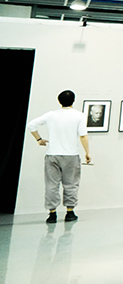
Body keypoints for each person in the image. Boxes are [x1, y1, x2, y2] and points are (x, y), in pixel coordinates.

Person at [26, 90, 91, 223]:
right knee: (71, 184)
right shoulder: (79, 116)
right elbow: (83, 136)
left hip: (52, 155)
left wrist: (39, 139)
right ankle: (70, 212)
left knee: (51, 185)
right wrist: (87, 152)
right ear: (73, 101)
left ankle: (52, 214)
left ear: (59, 101)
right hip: (71, 155)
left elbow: (31, 125)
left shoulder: (51, 115)